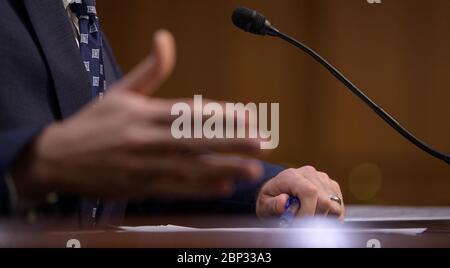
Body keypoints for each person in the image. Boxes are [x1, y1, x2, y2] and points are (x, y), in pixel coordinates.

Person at [0, 0, 344, 225]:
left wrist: (266, 189)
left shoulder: (79, 17)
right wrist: (33, 164)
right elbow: (63, 160)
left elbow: (123, 179)